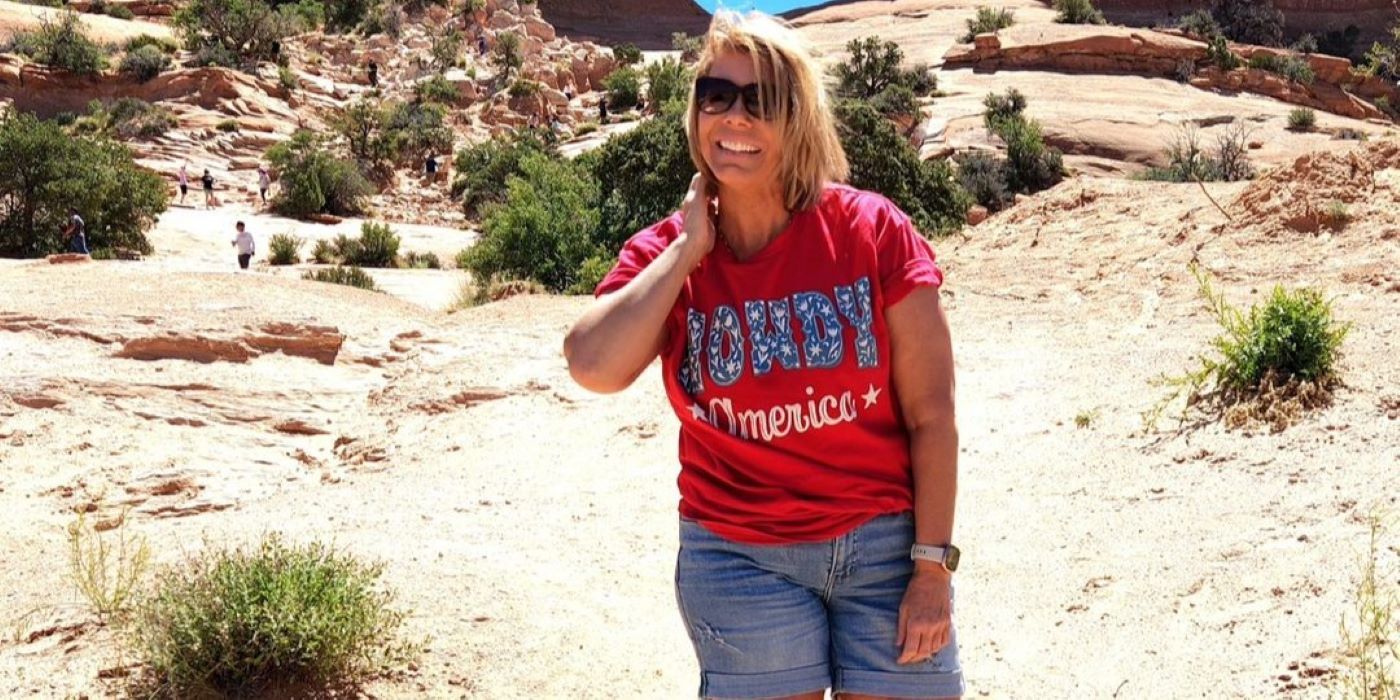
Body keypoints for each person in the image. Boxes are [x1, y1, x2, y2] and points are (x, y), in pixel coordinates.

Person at [563, 10, 963, 700]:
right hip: (739, 556)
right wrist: (689, 252)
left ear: (798, 117)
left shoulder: (872, 232)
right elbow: (593, 366)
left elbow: (932, 414)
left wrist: (932, 570)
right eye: (717, 95)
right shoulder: (664, 252)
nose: (736, 117)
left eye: (762, 100)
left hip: (885, 550)